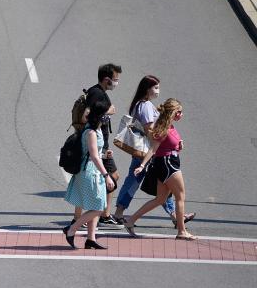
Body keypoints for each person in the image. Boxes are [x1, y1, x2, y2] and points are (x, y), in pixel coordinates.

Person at [112, 76, 193, 226]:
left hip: (151, 151)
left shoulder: (143, 104)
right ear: (146, 89)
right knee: (134, 181)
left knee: (163, 183)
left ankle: (175, 215)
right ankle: (119, 213)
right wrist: (163, 142)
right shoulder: (145, 106)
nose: (158, 91)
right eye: (155, 88)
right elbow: (150, 130)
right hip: (148, 151)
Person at [124, 99, 197, 240]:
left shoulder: (170, 126)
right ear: (171, 112)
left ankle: (130, 221)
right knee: (180, 197)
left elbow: (166, 145)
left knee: (160, 199)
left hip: (167, 162)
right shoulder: (163, 128)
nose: (181, 114)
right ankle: (181, 231)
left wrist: (177, 146)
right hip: (168, 164)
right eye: (179, 112)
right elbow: (153, 149)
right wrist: (142, 165)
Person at [61, 99, 112, 249]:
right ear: (99, 116)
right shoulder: (91, 132)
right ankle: (71, 229)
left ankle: (91, 238)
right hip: (90, 173)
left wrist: (104, 156)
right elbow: (94, 156)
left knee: (95, 205)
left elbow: (94, 154)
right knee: (98, 208)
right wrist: (106, 175)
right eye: (105, 114)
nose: (107, 117)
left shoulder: (94, 130)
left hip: (92, 170)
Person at [84, 63, 121, 228]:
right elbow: (87, 116)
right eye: (115, 79)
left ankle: (104, 214)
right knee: (109, 178)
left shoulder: (99, 92)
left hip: (103, 142)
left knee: (114, 177)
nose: (116, 82)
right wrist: (108, 111)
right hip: (97, 143)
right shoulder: (96, 93)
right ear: (107, 80)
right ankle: (95, 215)